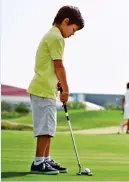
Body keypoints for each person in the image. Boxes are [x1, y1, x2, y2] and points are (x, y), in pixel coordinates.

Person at [27, 6, 84, 174]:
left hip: (46, 87)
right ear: (65, 22)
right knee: (45, 128)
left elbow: (51, 66)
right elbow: (59, 66)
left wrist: (58, 83)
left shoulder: (52, 35)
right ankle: (38, 163)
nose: (73, 33)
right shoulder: (57, 38)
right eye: (73, 29)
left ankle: (45, 159)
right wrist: (66, 88)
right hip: (43, 89)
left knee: (49, 127)